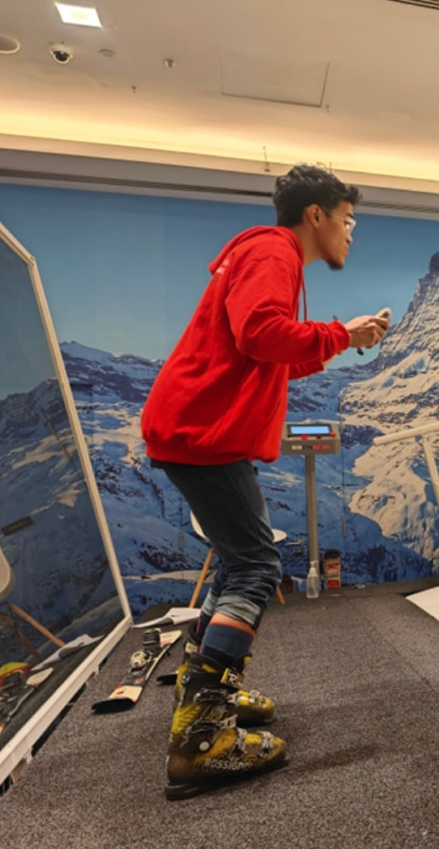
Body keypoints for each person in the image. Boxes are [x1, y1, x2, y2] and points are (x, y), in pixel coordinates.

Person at [141, 163, 389, 798]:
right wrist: (340, 331)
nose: (351, 232)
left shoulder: (266, 256)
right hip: (204, 434)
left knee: (235, 564)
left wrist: (338, 340)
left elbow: (265, 359)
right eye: (348, 220)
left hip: (197, 429)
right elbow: (259, 333)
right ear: (317, 216)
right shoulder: (272, 252)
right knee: (254, 567)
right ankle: (202, 734)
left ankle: (212, 687)